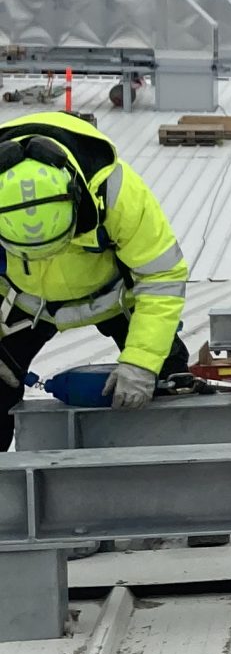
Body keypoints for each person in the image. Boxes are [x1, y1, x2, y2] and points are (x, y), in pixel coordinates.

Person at [0, 112, 191, 448]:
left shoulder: (116, 192)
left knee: (168, 379)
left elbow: (161, 276)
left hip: (116, 298)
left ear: (76, 199)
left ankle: (169, 466)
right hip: (22, 301)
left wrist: (141, 363)